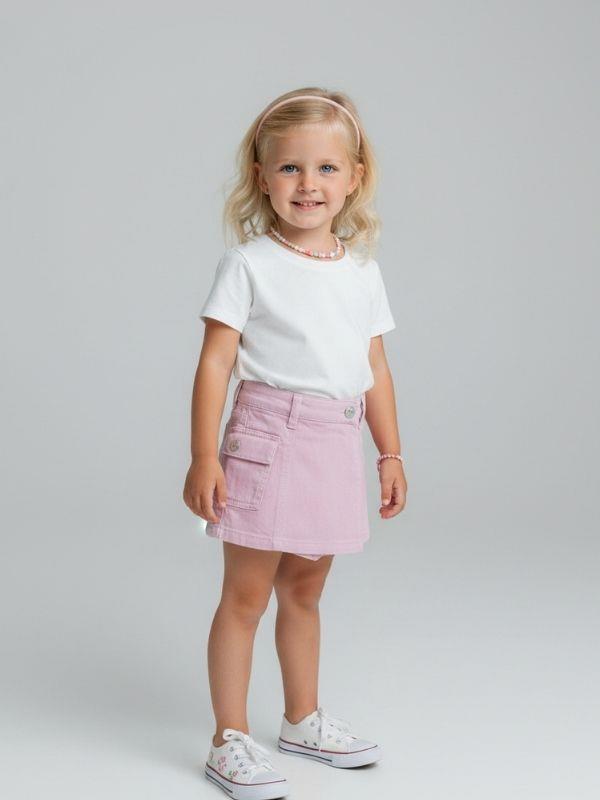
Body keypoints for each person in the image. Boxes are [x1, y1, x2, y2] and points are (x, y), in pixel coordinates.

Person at [183, 87, 407, 800]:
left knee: (305, 591)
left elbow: (374, 367)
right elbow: (215, 362)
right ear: (261, 177)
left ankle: (302, 718)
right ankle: (228, 737)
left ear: (355, 177)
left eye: (326, 168)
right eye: (290, 168)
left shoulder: (361, 270)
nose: (308, 184)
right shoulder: (249, 264)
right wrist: (204, 455)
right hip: (268, 438)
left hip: (333, 441)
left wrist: (389, 452)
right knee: (246, 595)